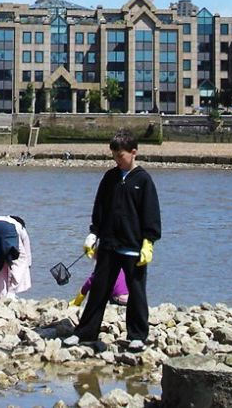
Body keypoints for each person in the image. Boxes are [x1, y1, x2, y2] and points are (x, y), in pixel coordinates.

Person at [64, 128, 161, 352]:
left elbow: (151, 214)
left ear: (133, 152)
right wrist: (93, 233)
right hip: (108, 244)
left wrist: (149, 242)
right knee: (99, 289)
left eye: (121, 156)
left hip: (133, 247)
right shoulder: (109, 177)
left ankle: (137, 336)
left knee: (136, 291)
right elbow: (100, 207)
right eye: (114, 156)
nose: (117, 160)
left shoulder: (143, 180)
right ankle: (85, 333)